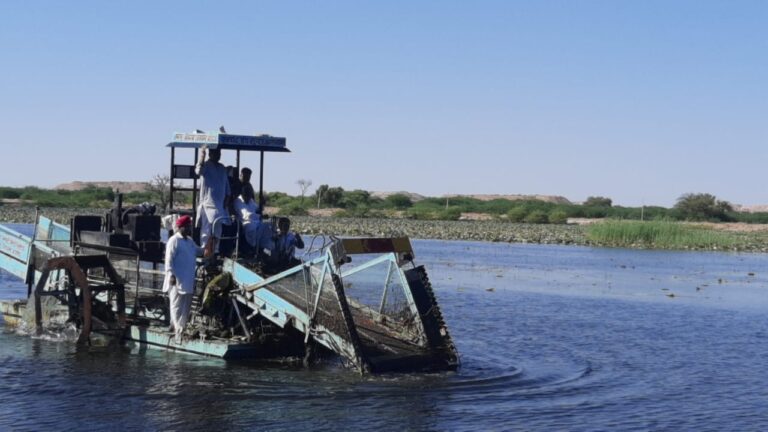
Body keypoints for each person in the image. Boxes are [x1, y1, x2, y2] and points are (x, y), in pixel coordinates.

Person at [162, 215, 204, 342]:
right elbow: (168, 260)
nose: (189, 228)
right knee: (176, 306)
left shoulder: (190, 241)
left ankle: (182, 327)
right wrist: (171, 274)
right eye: (187, 226)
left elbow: (199, 251)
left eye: (190, 226)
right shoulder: (174, 240)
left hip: (188, 280)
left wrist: (208, 246)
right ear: (180, 227)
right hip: (176, 279)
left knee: (186, 307)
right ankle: (178, 331)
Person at [195, 147, 231, 253]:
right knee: (206, 233)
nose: (218, 155)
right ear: (210, 153)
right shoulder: (205, 165)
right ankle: (204, 253)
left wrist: (226, 203)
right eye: (215, 153)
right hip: (207, 206)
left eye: (219, 153)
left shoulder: (222, 168)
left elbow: (227, 190)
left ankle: (214, 253)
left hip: (219, 208)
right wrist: (202, 154)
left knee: (217, 234)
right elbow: (198, 170)